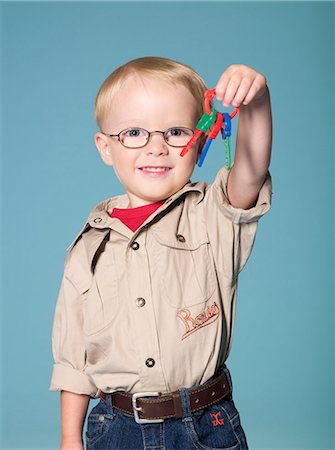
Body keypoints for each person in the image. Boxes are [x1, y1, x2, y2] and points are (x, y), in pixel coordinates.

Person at [49, 56, 272, 450]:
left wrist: (255, 101)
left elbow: (250, 171)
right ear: (105, 147)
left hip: (206, 425)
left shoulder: (212, 214)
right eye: (134, 132)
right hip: (117, 429)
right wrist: (70, 438)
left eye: (174, 131)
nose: (156, 147)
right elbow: (73, 361)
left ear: (200, 139)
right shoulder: (87, 249)